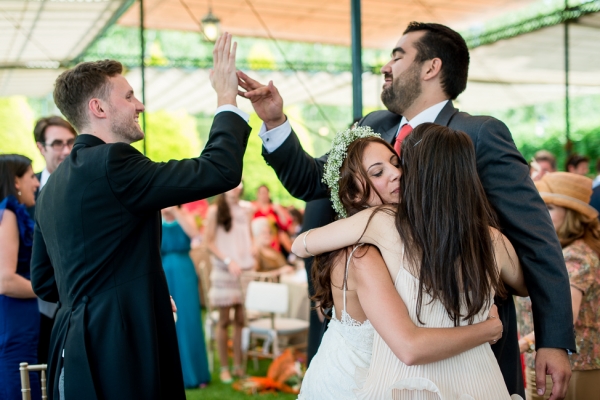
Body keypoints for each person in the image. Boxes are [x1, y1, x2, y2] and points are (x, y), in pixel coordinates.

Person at [238, 21, 574, 398]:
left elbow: (536, 237)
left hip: (465, 338)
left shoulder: (477, 134)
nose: (386, 67)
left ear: (431, 68)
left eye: (398, 56)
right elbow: (314, 180)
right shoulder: (371, 127)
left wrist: (554, 340)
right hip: (389, 340)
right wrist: (274, 122)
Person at [30, 33, 251, 400]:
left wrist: (127, 290)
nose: (140, 105)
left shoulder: (50, 189)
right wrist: (226, 98)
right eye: (129, 96)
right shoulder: (112, 163)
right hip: (120, 350)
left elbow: (45, 283)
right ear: (99, 108)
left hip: (71, 352)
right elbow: (218, 170)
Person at [293, 125, 522, 399]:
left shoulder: (417, 233)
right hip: (352, 381)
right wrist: (489, 328)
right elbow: (410, 346)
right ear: (354, 195)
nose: (397, 174)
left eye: (397, 164)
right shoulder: (374, 234)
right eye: (378, 173)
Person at [517, 172, 600, 400]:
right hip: (551, 365)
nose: (541, 212)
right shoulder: (560, 251)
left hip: (574, 368)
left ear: (572, 215)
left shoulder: (576, 256)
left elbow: (565, 316)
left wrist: (521, 344)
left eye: (550, 207)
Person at [29, 116, 78, 365]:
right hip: (33, 309)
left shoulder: (86, 186)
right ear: (41, 147)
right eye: (57, 143)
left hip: (79, 306)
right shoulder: (26, 192)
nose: (67, 150)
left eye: (71, 141)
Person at [204, 185, 255, 383]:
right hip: (225, 272)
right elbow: (208, 243)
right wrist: (228, 261)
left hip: (244, 272)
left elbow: (249, 238)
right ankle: (224, 367)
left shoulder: (246, 210)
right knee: (224, 320)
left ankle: (238, 366)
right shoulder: (215, 210)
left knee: (241, 320)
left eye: (240, 183)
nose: (237, 187)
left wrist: (254, 250)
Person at [0, 154, 41, 400]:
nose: (36, 184)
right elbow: (6, 280)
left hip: (19, 320)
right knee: (19, 388)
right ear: (16, 181)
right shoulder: (8, 214)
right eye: (31, 177)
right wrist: (51, 289)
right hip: (13, 322)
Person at [161, 206, 210, 389]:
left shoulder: (186, 216)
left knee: (189, 319)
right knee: (167, 321)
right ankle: (171, 374)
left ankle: (196, 374)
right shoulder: (156, 219)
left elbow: (195, 234)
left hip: (184, 271)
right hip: (164, 271)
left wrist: (176, 212)